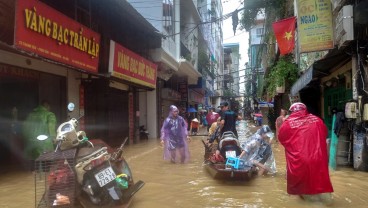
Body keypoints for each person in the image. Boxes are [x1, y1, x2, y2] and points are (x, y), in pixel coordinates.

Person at [278, 102, 333, 204]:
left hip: (300, 161)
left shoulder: (287, 123)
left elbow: (282, 139)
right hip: (318, 159)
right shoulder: (317, 120)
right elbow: (324, 134)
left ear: (291, 111)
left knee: (308, 195)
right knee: (322, 185)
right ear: (305, 110)